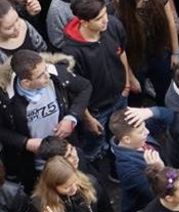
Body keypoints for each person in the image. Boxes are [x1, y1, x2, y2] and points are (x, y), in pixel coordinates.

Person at [0, 49, 91, 189]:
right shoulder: (5, 98)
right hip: (35, 165)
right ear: (26, 82)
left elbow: (85, 87)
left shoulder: (55, 74)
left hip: (67, 154)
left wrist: (71, 117)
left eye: (45, 69)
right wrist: (25, 142)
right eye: (41, 75)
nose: (47, 75)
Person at [61, 0, 136, 161]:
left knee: (120, 136)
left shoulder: (114, 25)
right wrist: (88, 118)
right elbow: (74, 90)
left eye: (105, 14)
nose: (106, 20)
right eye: (99, 18)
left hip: (120, 96)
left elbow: (121, 52)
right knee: (94, 145)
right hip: (96, 109)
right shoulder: (71, 52)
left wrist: (127, 82)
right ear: (84, 22)